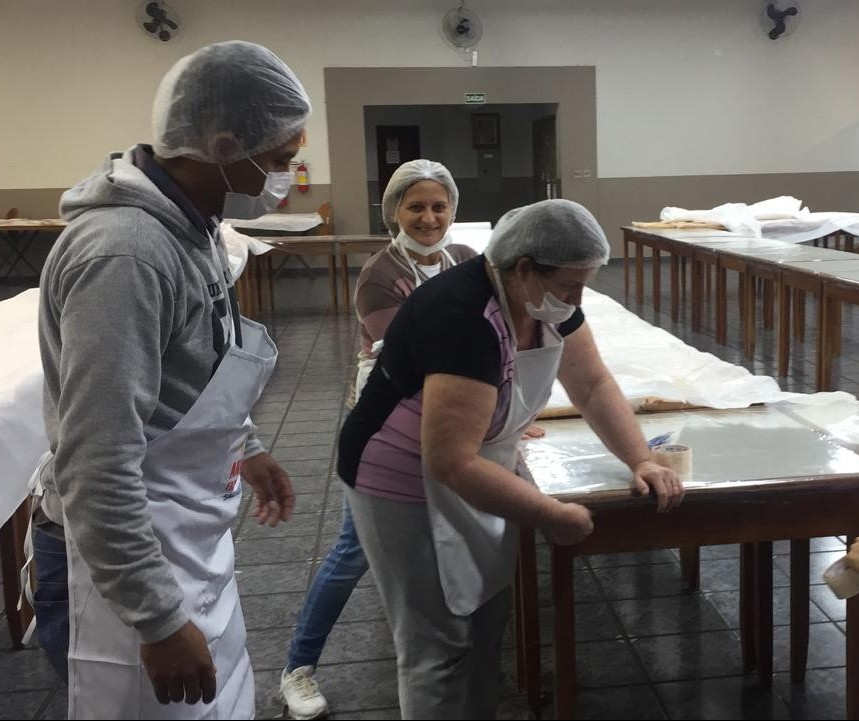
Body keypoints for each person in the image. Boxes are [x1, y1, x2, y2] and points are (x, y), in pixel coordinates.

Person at [32, 40, 309, 719]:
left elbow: (194, 362)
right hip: (118, 564)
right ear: (221, 144)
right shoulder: (127, 254)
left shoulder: (194, 228)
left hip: (171, 529)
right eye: (277, 161)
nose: (285, 178)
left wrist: (243, 446)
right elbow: (96, 459)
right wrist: (154, 617)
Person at [337, 198, 686, 719]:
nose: (578, 297)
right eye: (571, 284)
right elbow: (451, 461)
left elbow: (591, 386)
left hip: (481, 466)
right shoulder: (465, 316)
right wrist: (550, 514)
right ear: (523, 268)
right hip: (400, 476)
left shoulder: (548, 304)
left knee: (482, 626)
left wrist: (642, 460)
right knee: (437, 646)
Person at [278, 159, 476, 719]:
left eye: (439, 206)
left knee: (446, 537)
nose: (429, 217)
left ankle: (437, 652)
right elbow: (424, 357)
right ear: (394, 212)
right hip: (386, 429)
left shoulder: (463, 260)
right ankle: (298, 667)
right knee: (353, 552)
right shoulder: (381, 274)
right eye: (416, 206)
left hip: (445, 420)